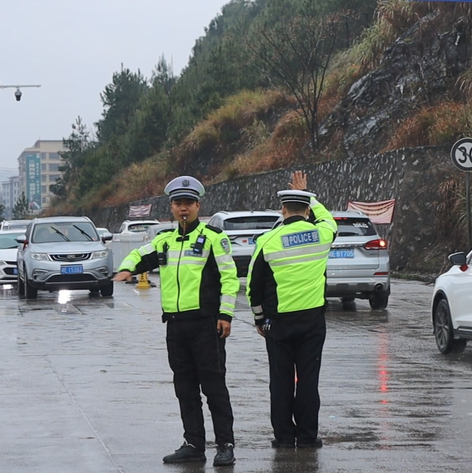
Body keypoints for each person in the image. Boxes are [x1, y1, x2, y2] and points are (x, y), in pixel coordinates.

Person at [113, 175, 240, 467]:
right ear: (171, 207)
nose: (183, 209)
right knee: (185, 387)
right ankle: (194, 443)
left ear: (198, 206)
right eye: (178, 204)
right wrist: (125, 269)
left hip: (206, 325)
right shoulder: (164, 241)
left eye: (188, 204)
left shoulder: (213, 238)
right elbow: (136, 255)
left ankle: (225, 445)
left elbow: (229, 280)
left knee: (213, 387)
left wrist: (225, 315)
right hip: (176, 326)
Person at [246, 170, 337, 449]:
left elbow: (254, 285)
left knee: (281, 382)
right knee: (308, 381)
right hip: (312, 322)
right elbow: (329, 220)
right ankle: (308, 437)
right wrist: (310, 194)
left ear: (283, 210)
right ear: (307, 211)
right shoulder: (321, 234)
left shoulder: (268, 241)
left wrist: (260, 319)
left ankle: (284, 437)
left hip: (279, 324)